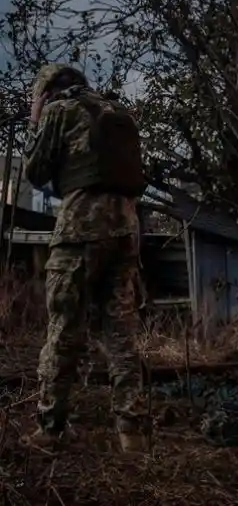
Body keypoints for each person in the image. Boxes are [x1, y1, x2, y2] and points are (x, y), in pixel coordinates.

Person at [20, 64, 151, 452]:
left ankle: (50, 427)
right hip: (127, 229)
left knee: (63, 327)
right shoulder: (117, 112)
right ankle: (132, 433)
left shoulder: (59, 111)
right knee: (120, 332)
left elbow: (34, 171)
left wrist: (34, 120)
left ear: (46, 91)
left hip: (80, 231)